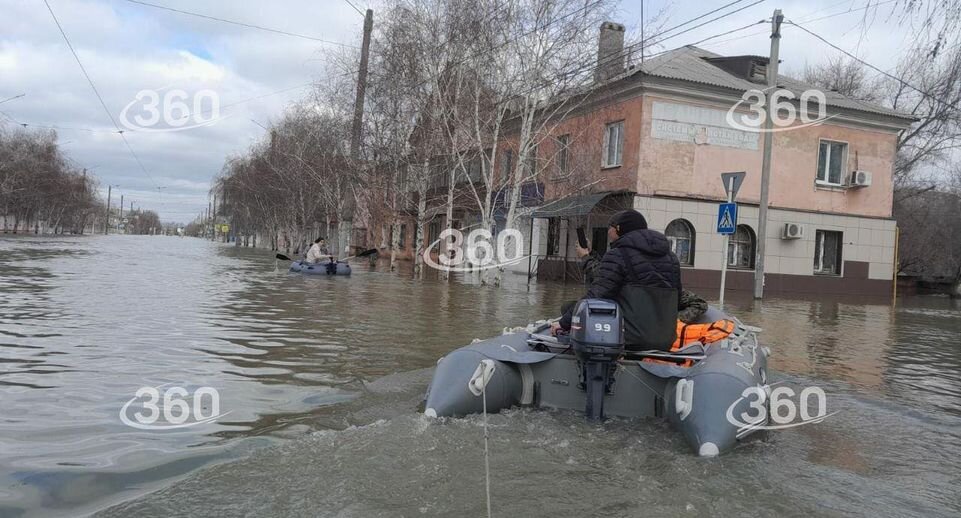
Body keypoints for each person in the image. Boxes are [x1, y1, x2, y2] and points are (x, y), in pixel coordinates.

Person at [551, 210, 682, 351]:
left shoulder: (618, 254)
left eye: (610, 227)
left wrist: (563, 323)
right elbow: (678, 299)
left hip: (629, 338)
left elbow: (596, 295)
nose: (608, 232)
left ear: (619, 229)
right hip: (666, 340)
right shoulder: (672, 258)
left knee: (569, 307)